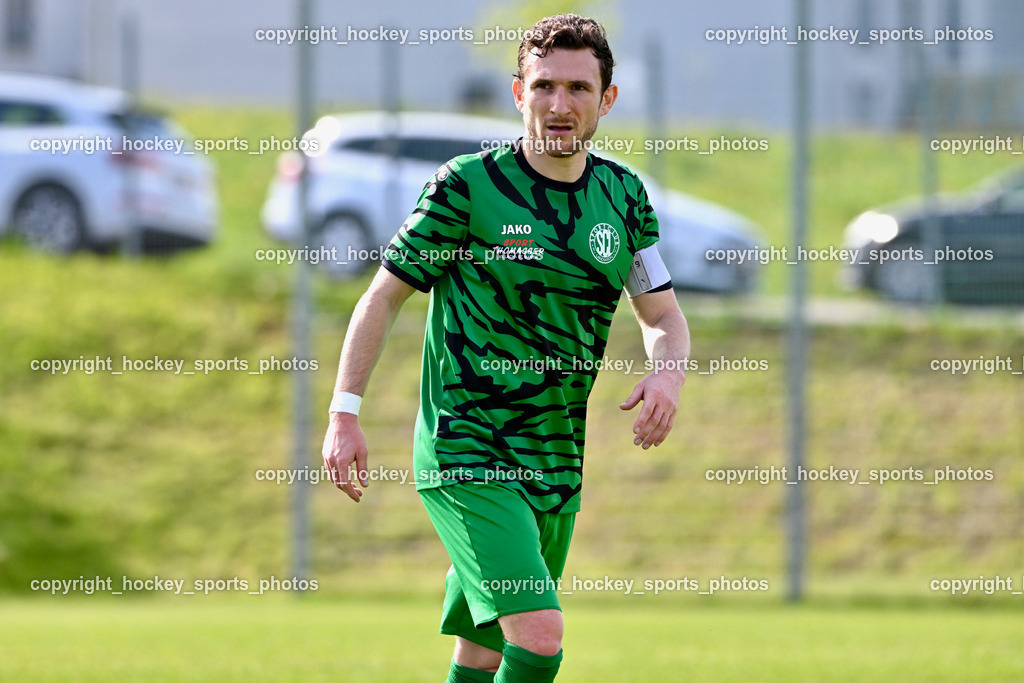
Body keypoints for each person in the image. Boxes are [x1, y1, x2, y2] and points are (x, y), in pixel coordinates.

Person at [322, 13, 690, 683]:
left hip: (555, 460)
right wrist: (344, 411)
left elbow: (663, 312)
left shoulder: (623, 196)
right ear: (518, 92)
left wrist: (667, 374)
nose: (559, 104)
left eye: (579, 88)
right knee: (541, 635)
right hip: (468, 449)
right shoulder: (467, 186)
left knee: (485, 649)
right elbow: (382, 296)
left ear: (606, 99)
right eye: (544, 85)